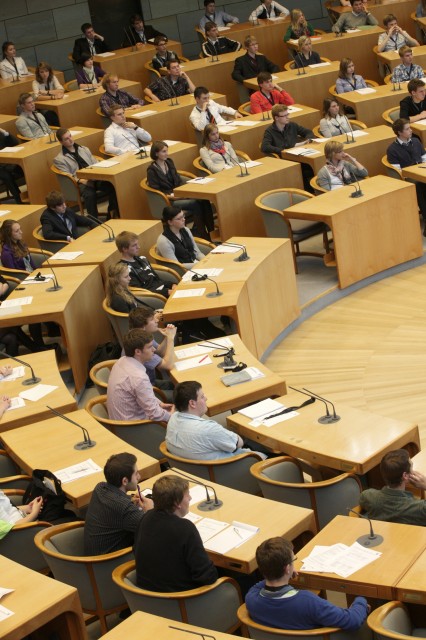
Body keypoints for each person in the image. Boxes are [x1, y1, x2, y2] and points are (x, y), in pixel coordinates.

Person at [246, 537, 370, 633]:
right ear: (287, 568)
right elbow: (353, 620)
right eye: (293, 560)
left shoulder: (251, 598)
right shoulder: (308, 602)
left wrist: (283, 573)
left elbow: (260, 585)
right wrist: (361, 600)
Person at [134, 475, 218, 591]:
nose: (190, 498)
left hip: (147, 597)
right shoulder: (185, 528)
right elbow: (207, 577)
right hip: (180, 600)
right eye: (187, 494)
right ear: (177, 503)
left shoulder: (145, 517)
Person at [84, 452, 153, 555]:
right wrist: (150, 511)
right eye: (136, 474)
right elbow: (155, 529)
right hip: (109, 562)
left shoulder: (100, 487)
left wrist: (129, 499)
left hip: (95, 552)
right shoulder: (125, 508)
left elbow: (116, 505)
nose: (139, 476)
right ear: (125, 481)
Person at [166, 381, 252, 460]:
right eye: (202, 397)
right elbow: (239, 443)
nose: (206, 398)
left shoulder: (173, 418)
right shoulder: (208, 429)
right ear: (192, 403)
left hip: (195, 471)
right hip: (232, 468)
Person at [147, 140, 214, 240]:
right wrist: (174, 197)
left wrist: (184, 191)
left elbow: (177, 179)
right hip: (169, 200)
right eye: (164, 152)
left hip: (179, 193)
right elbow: (157, 191)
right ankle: (203, 236)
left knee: (203, 199)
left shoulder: (169, 162)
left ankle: (209, 231)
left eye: (167, 151)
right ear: (156, 153)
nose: (167, 154)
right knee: (195, 203)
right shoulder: (151, 170)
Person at [107, 328, 173, 422]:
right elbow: (155, 414)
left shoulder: (121, 361)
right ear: (138, 352)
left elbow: (143, 394)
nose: (154, 350)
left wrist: (159, 403)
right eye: (150, 347)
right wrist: (173, 417)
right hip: (135, 428)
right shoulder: (139, 377)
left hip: (122, 421)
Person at [53, 127, 119, 219]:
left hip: (94, 177)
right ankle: (94, 220)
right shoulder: (59, 159)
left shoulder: (83, 149)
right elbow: (67, 175)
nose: (70, 139)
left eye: (70, 136)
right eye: (66, 139)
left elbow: (95, 163)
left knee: (112, 186)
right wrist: (80, 180)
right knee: (89, 194)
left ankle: (111, 215)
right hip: (80, 182)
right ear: (61, 142)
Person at [360, 449, 426, 525]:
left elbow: (363, 497)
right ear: (405, 476)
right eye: (411, 466)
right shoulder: (420, 508)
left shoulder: (369, 497)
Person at [261, 104, 315, 191]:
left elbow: (308, 132)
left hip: (298, 155)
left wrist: (308, 139)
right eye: (284, 115)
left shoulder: (292, 125)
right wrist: (282, 150)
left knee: (313, 166)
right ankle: (309, 191)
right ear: (276, 118)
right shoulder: (269, 131)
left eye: (288, 114)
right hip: (284, 161)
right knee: (304, 169)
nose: (287, 117)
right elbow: (264, 147)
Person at [387, 117, 426, 233]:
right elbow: (398, 171)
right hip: (409, 177)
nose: (411, 131)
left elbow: (424, 158)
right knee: (420, 185)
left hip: (422, 172)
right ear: (399, 132)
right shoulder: (392, 149)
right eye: (408, 129)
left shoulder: (416, 141)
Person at [128, 306, 176, 392]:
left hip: (151, 382)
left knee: (180, 385)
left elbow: (160, 352)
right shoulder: (140, 344)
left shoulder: (139, 335)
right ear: (143, 325)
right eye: (152, 320)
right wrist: (171, 338)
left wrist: (167, 337)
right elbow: (168, 365)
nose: (157, 321)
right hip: (147, 390)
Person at [115, 231, 173, 297]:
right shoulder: (124, 269)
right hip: (155, 297)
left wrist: (171, 285)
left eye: (137, 244)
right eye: (134, 245)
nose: (138, 247)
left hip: (165, 290)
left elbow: (157, 279)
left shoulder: (142, 259)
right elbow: (141, 291)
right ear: (125, 249)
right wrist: (167, 292)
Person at [0, 128, 23, 203]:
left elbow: (15, 142)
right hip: (2, 167)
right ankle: (18, 199)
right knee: (6, 176)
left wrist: (5, 132)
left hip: (8, 161)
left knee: (22, 167)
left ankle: (31, 194)